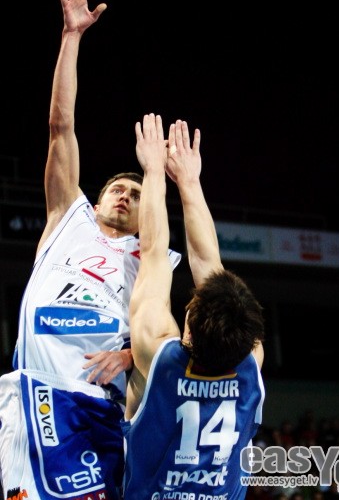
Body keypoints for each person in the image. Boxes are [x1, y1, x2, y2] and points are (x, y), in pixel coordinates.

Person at [0, 0, 181, 499]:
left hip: (98, 408)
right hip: (35, 392)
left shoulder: (151, 257)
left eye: (135, 192)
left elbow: (166, 337)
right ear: (96, 199)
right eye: (116, 188)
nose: (124, 196)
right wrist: (71, 37)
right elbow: (61, 127)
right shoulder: (68, 218)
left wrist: (131, 357)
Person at [122, 114, 265, 498]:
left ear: (187, 327)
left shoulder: (160, 358)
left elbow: (153, 253)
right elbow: (208, 266)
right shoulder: (251, 362)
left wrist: (155, 173)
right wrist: (188, 181)